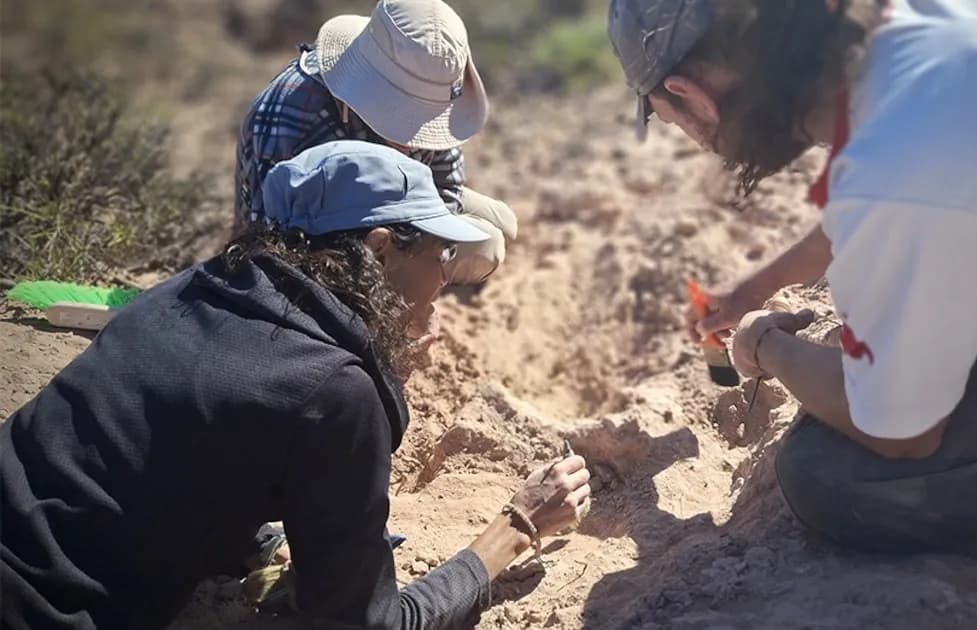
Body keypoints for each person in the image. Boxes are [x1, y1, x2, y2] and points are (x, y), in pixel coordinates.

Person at [608, 0, 977, 550]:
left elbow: (901, 433)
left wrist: (763, 346)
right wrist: (755, 288)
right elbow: (904, 187)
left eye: (666, 116)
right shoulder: (923, 33)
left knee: (824, 471)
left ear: (690, 95)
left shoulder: (896, 172)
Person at [0, 141, 590, 629]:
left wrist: (260, 542)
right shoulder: (335, 391)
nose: (444, 277)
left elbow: (172, 441)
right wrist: (510, 533)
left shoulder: (191, 290)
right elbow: (365, 623)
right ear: (380, 249)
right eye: (444, 252)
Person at [236, 0, 517, 287]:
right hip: (333, 235)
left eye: (424, 115)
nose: (413, 143)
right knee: (486, 246)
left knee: (504, 222)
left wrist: (428, 246)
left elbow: (445, 184)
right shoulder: (292, 115)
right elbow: (270, 246)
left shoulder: (427, 71)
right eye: (405, 114)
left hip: (405, 199)